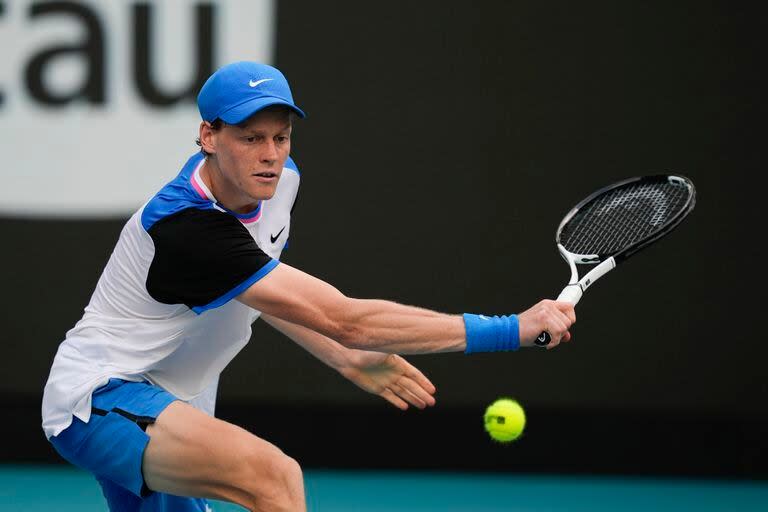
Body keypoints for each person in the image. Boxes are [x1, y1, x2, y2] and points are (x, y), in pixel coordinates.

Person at [41, 61, 576, 512]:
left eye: (280, 136)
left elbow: (260, 288)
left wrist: (346, 359)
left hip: (170, 399)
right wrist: (511, 330)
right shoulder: (187, 227)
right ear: (208, 136)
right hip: (100, 400)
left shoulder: (279, 183)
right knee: (275, 478)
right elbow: (346, 319)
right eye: (251, 138)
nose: (270, 154)